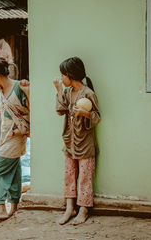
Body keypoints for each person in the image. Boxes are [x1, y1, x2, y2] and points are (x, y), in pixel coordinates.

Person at [53, 57, 101, 225]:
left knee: (85, 177)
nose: (61, 78)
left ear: (70, 75)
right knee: (69, 175)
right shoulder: (66, 92)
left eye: (62, 76)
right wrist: (59, 90)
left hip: (85, 143)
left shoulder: (88, 93)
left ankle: (83, 209)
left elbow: (97, 117)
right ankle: (69, 208)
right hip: (69, 142)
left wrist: (85, 114)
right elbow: (60, 110)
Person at [0, 56, 30, 223]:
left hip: (16, 137)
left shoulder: (20, 87)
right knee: (14, 169)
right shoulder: (0, 93)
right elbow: (2, 117)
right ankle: (14, 207)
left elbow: (32, 110)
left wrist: (29, 93)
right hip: (5, 137)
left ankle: (0, 208)